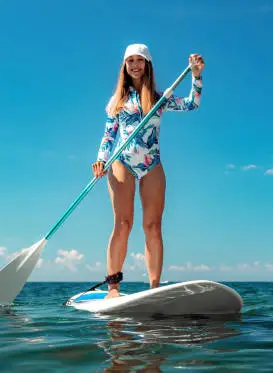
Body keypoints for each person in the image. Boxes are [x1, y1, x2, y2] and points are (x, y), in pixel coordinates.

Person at [92, 43, 205, 299]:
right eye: (130, 61)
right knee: (123, 224)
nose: (134, 65)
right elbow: (109, 135)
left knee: (153, 226)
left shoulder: (159, 99)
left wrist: (196, 76)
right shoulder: (117, 101)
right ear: (124, 66)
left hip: (152, 165)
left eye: (139, 60)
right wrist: (101, 160)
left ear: (148, 65)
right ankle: (113, 288)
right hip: (122, 163)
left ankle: (154, 288)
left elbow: (191, 104)